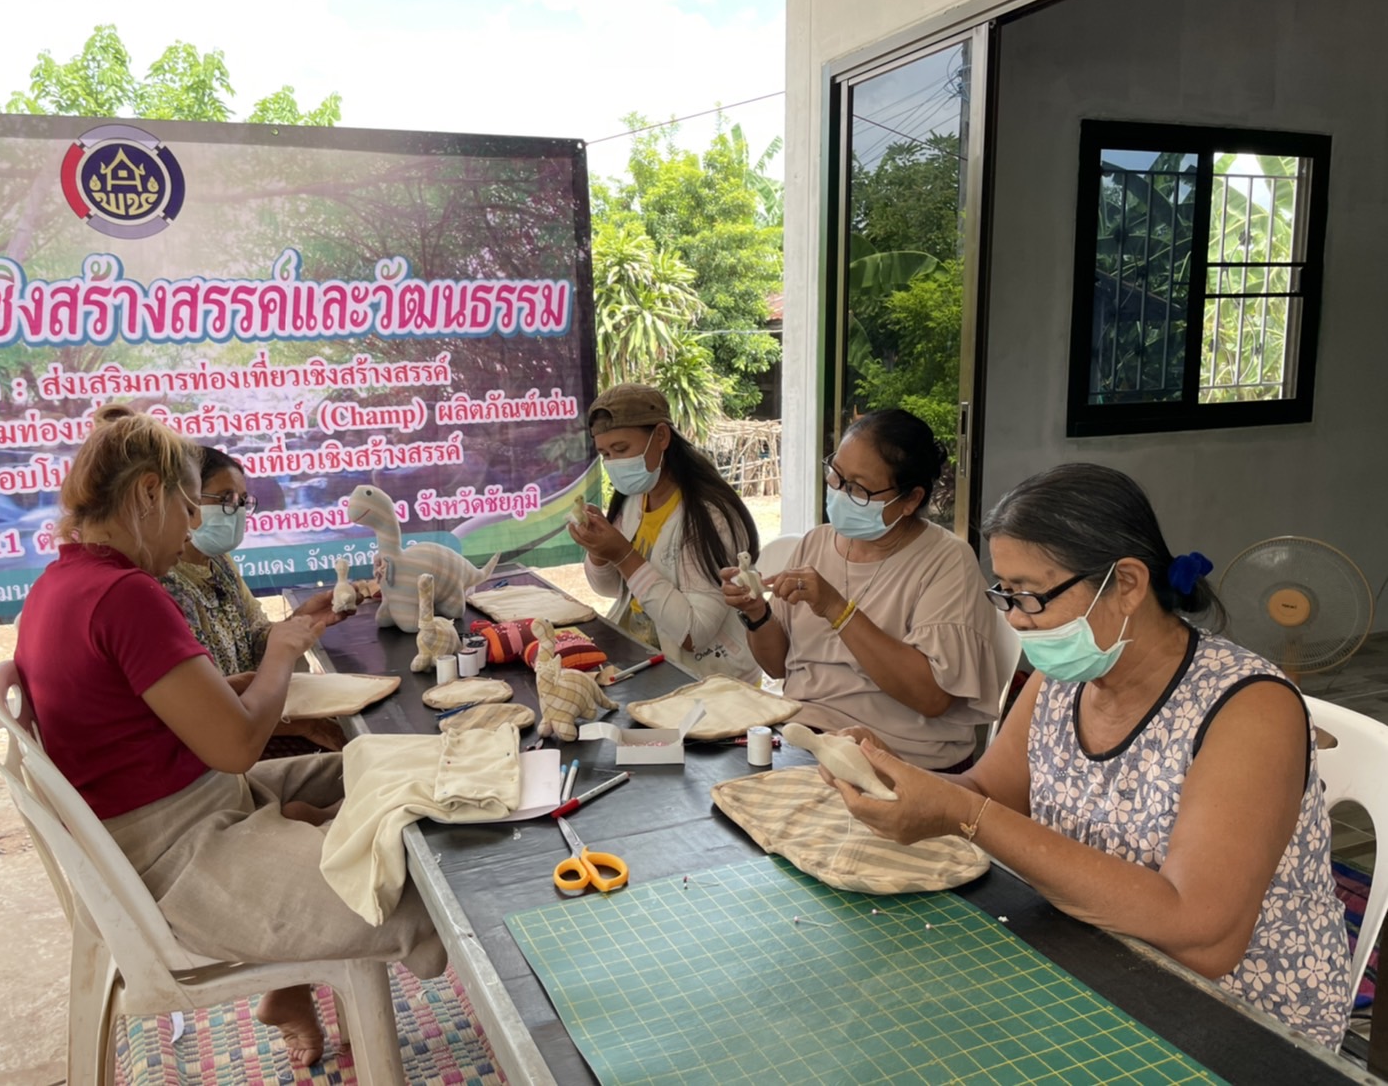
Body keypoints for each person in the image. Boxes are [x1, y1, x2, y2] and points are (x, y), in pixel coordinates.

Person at [823, 463, 1350, 1048]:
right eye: (1006, 594)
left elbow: (1201, 935)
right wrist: (892, 774)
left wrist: (965, 816)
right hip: (1094, 957)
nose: (1016, 619)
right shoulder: (1065, 679)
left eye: (1030, 596)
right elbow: (988, 793)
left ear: (1126, 583)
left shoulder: (1250, 708)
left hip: (1238, 1020)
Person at [13, 405, 444, 1070]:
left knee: (394, 762)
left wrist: (269, 662)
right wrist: (281, 652)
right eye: (189, 507)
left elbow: (177, 702)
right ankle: (323, 838)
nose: (192, 527)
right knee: (429, 881)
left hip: (189, 806)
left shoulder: (59, 584)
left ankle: (320, 826)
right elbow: (237, 748)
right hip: (178, 854)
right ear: (149, 493)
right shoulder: (125, 594)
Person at [721, 409, 1002, 770]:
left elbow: (932, 698)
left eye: (857, 488)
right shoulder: (817, 542)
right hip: (805, 740)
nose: (838, 493)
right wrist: (757, 613)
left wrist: (837, 609)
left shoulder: (946, 561)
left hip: (900, 758)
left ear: (910, 499)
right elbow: (778, 667)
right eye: (836, 475)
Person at [160, 445, 353, 752]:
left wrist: (303, 620)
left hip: (258, 721)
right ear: (186, 499)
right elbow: (201, 712)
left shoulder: (220, 562)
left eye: (241, 501)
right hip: (224, 745)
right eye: (225, 499)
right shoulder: (162, 582)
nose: (236, 511)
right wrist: (307, 725)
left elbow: (255, 648)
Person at [569, 382, 762, 682]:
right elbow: (612, 589)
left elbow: (694, 634)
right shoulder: (634, 500)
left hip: (706, 681)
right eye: (605, 454)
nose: (614, 463)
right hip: (642, 659)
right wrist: (599, 553)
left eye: (621, 449)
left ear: (661, 436)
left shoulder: (709, 516)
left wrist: (623, 554)